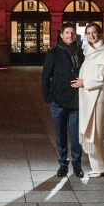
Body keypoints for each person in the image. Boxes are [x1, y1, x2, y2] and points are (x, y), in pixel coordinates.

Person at [71, 23, 104, 178]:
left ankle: (100, 167)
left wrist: (85, 83)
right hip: (86, 95)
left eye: (94, 33)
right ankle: (97, 165)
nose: (91, 36)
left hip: (96, 95)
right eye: (88, 33)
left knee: (95, 129)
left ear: (100, 34)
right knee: (89, 128)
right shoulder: (88, 51)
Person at [42, 23, 85, 178]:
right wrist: (48, 97)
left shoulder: (82, 52)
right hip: (58, 100)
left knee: (76, 135)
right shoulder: (53, 53)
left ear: (76, 35)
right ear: (61, 34)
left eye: (72, 33)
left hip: (76, 100)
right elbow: (46, 76)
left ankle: (77, 164)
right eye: (67, 33)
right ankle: (63, 163)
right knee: (60, 135)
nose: (70, 35)